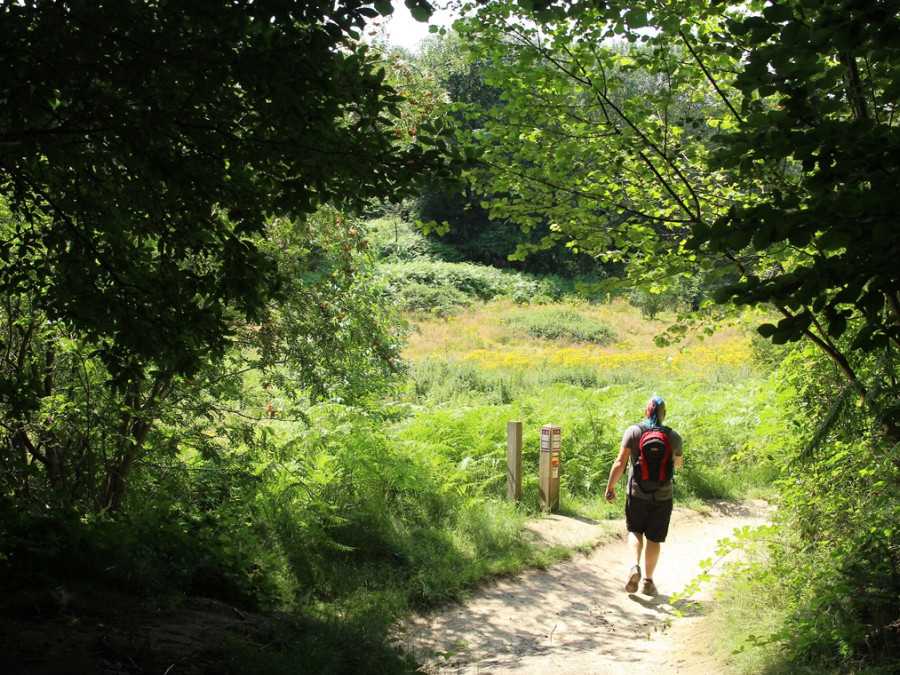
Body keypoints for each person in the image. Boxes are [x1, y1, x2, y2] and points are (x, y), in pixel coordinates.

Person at [604, 395, 683, 596]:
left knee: (635, 531)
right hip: (663, 497)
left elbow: (620, 462)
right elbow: (678, 464)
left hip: (637, 493)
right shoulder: (674, 437)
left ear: (647, 412)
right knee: (654, 539)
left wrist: (610, 486)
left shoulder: (634, 431)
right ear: (664, 414)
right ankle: (648, 581)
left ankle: (634, 566)